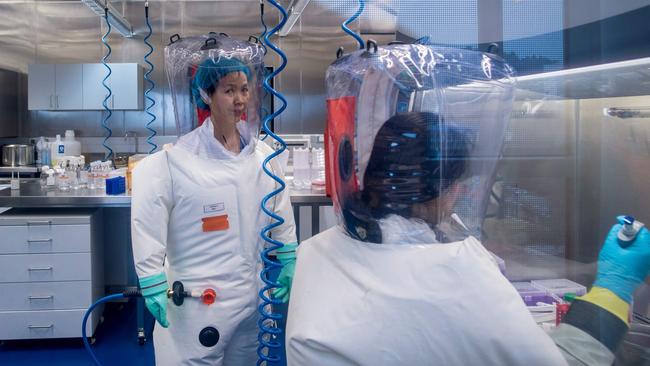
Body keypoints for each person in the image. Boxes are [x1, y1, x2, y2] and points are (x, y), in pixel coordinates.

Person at [286, 44, 650, 365]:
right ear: (440, 189)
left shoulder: (317, 251)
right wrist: (613, 287)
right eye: (456, 184)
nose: (459, 195)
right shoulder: (456, 274)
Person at [131, 34, 297, 365]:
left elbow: (279, 209)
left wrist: (288, 254)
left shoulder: (263, 157)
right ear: (206, 95)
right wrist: (150, 280)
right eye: (229, 90)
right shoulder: (171, 162)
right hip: (196, 306)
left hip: (251, 301)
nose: (240, 99)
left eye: (244, 89)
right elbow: (146, 224)